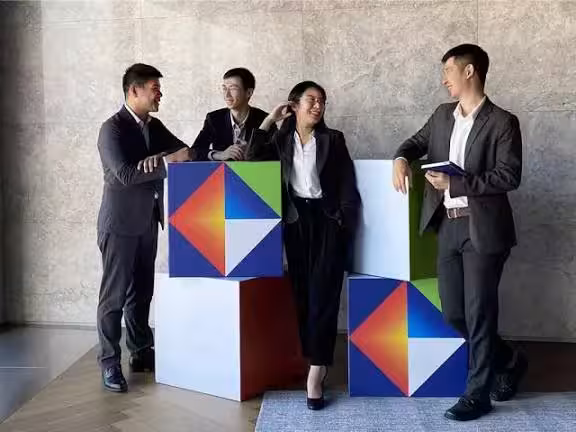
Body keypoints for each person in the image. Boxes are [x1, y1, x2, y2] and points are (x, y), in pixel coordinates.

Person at [393, 44, 526, 421]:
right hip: (448, 225)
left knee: (479, 311)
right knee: (453, 313)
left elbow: (509, 176)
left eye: (448, 71)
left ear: (469, 71)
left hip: (483, 227)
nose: (444, 80)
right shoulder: (441, 115)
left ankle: (477, 394)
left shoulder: (503, 122)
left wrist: (457, 182)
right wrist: (400, 158)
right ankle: (509, 359)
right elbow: (414, 143)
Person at [247, 81, 360, 410]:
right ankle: (316, 359)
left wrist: (343, 225)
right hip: (296, 222)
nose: (318, 106)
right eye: (311, 100)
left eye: (322, 101)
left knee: (324, 295)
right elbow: (252, 157)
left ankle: (316, 372)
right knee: (303, 297)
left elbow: (347, 185)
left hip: (327, 222)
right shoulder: (280, 139)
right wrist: (270, 119)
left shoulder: (333, 139)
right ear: (293, 105)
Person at [96, 63, 193, 393]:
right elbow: (124, 175)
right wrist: (164, 162)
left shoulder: (154, 125)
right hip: (119, 224)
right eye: (154, 89)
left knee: (141, 293)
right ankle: (109, 362)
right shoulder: (111, 129)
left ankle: (140, 351)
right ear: (133, 90)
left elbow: (185, 151)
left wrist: (163, 157)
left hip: (148, 222)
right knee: (114, 297)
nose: (159, 94)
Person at [192, 67, 274, 161]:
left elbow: (277, 153)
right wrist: (219, 155)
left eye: (233, 88)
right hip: (222, 170)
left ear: (248, 93)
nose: (226, 95)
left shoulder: (265, 119)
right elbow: (194, 151)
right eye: (224, 88)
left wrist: (253, 151)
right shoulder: (214, 118)